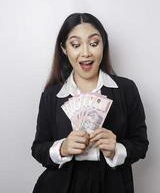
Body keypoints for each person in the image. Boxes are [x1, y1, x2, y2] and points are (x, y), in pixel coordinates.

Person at [31, 12, 149, 193]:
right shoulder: (51, 96)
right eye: (76, 45)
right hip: (61, 186)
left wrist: (116, 149)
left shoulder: (126, 89)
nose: (86, 53)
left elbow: (141, 144)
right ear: (64, 49)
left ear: (103, 45)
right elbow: (38, 148)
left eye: (93, 43)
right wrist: (62, 148)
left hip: (112, 185)